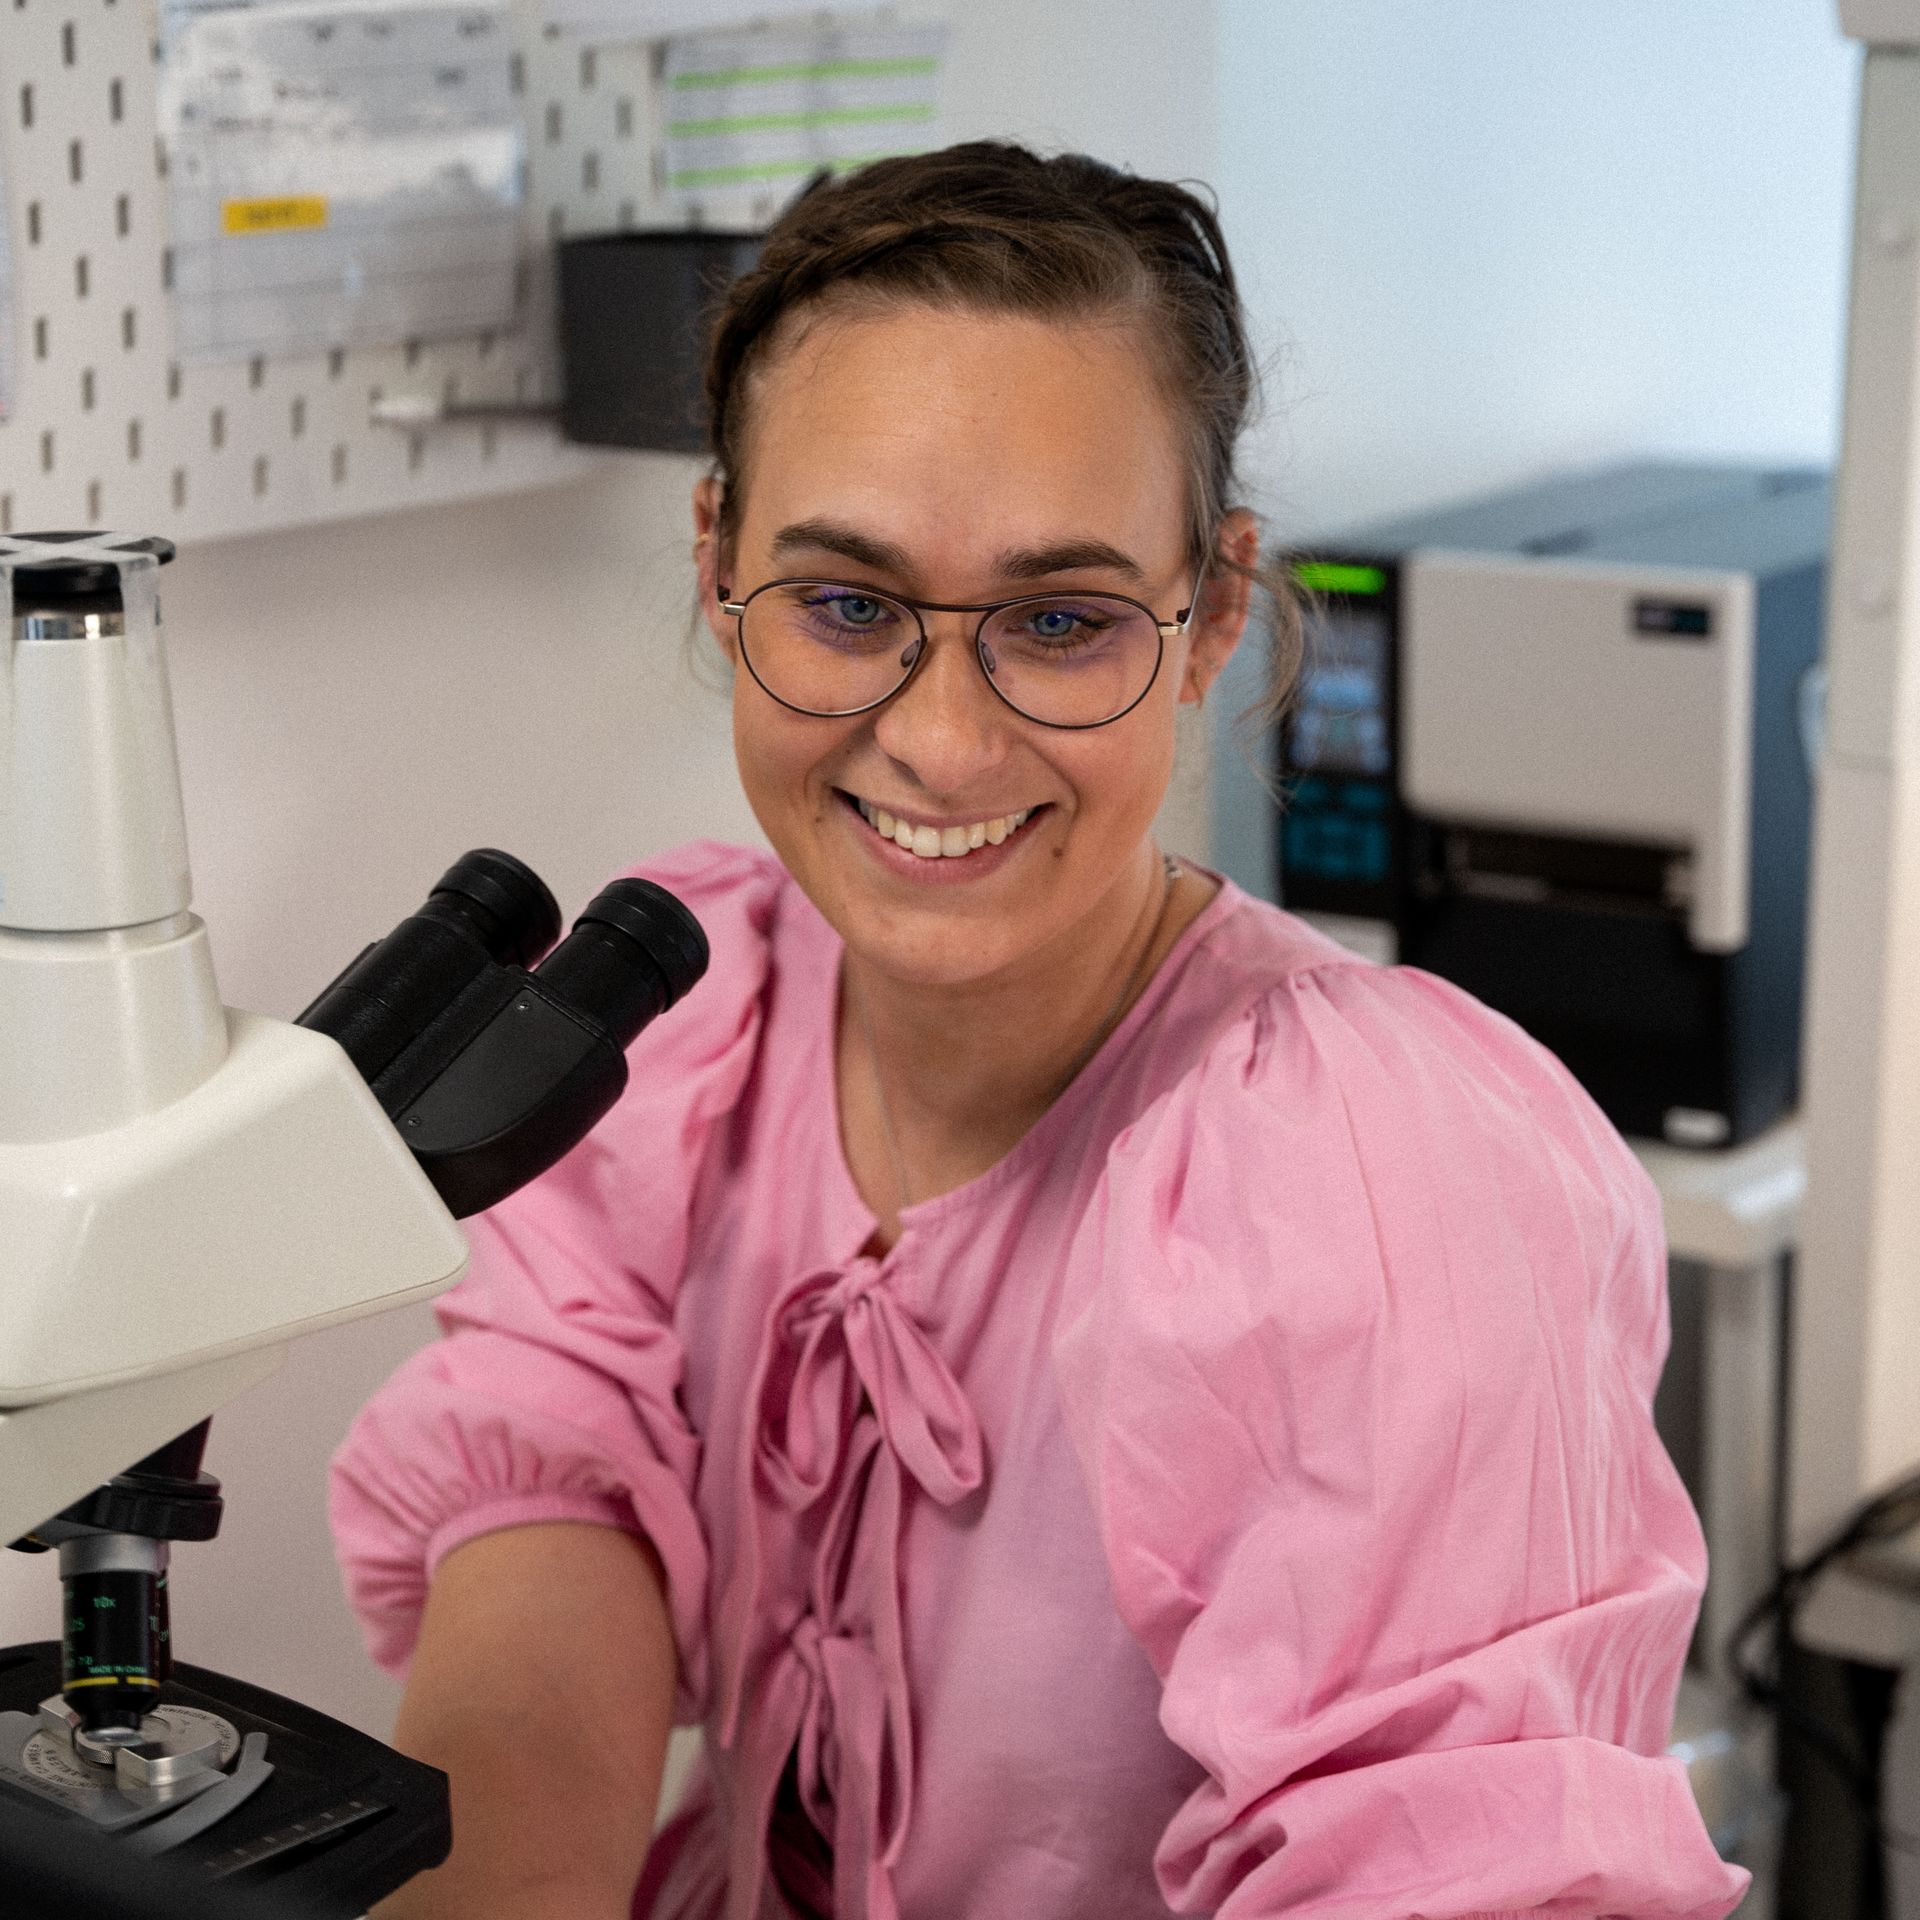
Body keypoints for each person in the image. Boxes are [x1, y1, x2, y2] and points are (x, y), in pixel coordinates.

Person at [330, 143, 1748, 1920]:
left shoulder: (1383, 1183)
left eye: (1060, 622)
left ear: (1213, 609)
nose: (939, 742)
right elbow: (554, 1510)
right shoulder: (692, 1020)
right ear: (719, 565)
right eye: (849, 606)